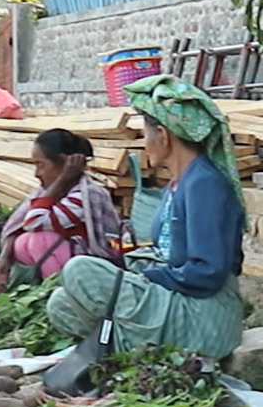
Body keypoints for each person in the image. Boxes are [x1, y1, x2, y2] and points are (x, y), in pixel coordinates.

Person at [44, 76, 244, 359]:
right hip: (179, 299)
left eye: (145, 134)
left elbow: (207, 272)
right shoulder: (177, 184)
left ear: (163, 135)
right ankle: (135, 347)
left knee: (79, 270)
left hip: (204, 312)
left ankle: (136, 344)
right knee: (60, 304)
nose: (144, 142)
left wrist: (148, 277)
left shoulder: (204, 184)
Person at [0, 128, 121, 287]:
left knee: (41, 239)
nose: (37, 173)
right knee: (21, 241)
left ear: (65, 163)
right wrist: (4, 257)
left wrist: (62, 180)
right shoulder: (42, 193)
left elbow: (34, 221)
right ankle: (43, 286)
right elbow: (16, 227)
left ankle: (62, 290)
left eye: (41, 165)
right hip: (66, 259)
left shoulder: (86, 195)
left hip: (89, 269)